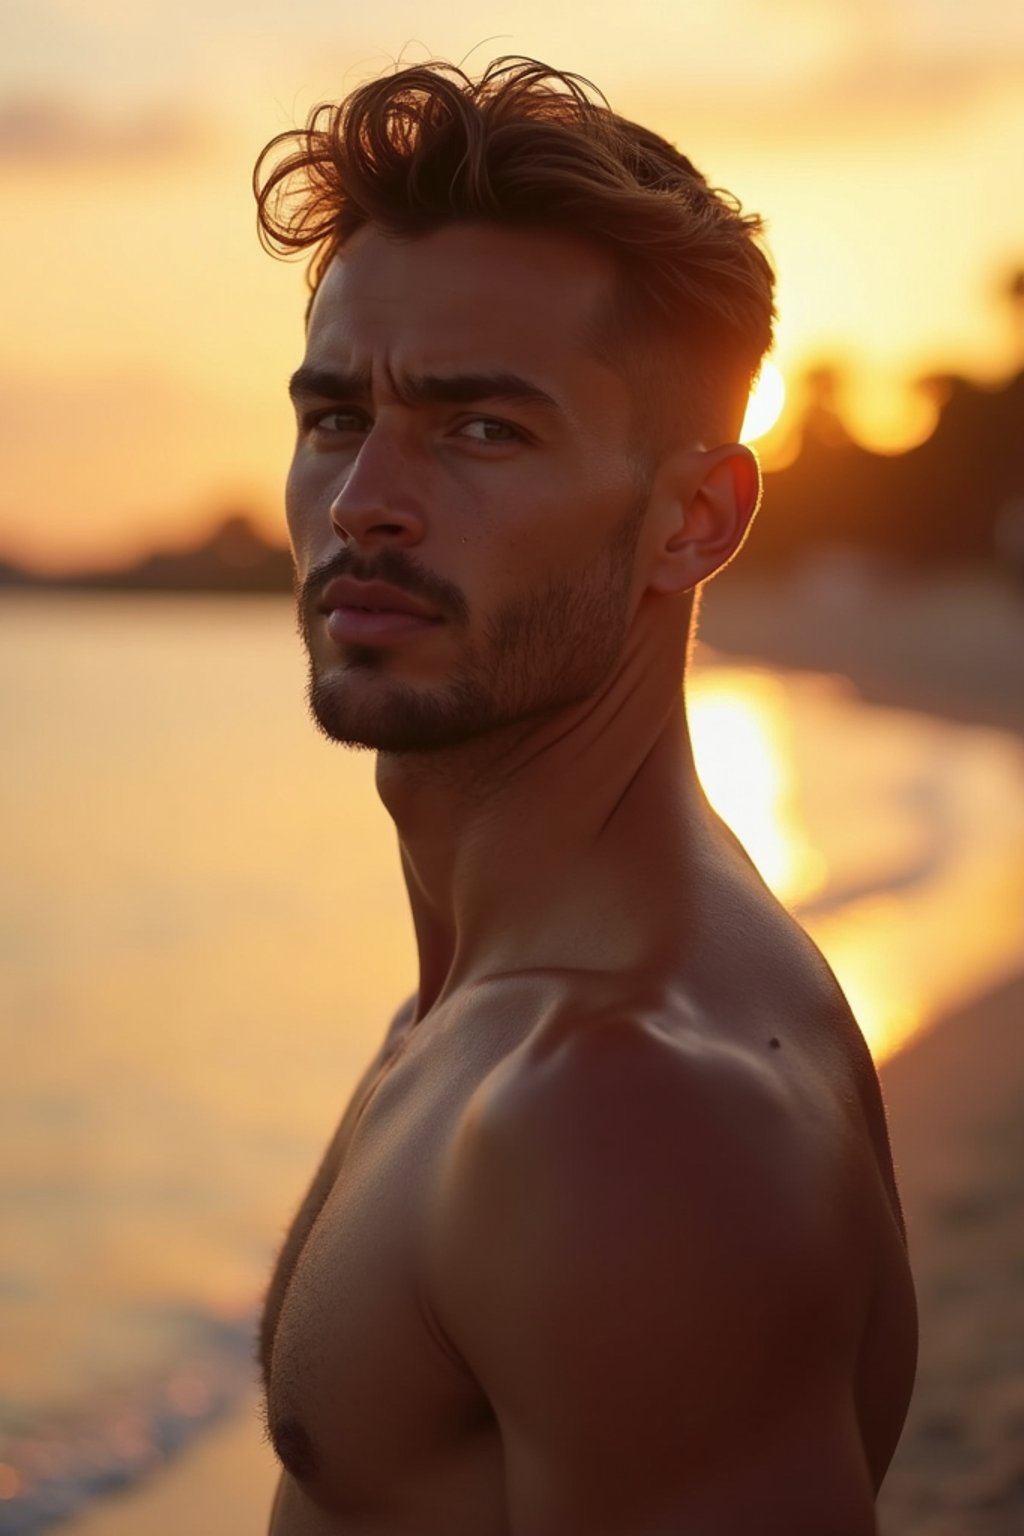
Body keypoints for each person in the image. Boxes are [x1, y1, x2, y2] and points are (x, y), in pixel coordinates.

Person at [252, 56, 917, 1535]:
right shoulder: (513, 1004)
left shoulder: (626, 1125)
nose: (366, 504)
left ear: (694, 518)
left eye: (484, 428)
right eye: (337, 416)